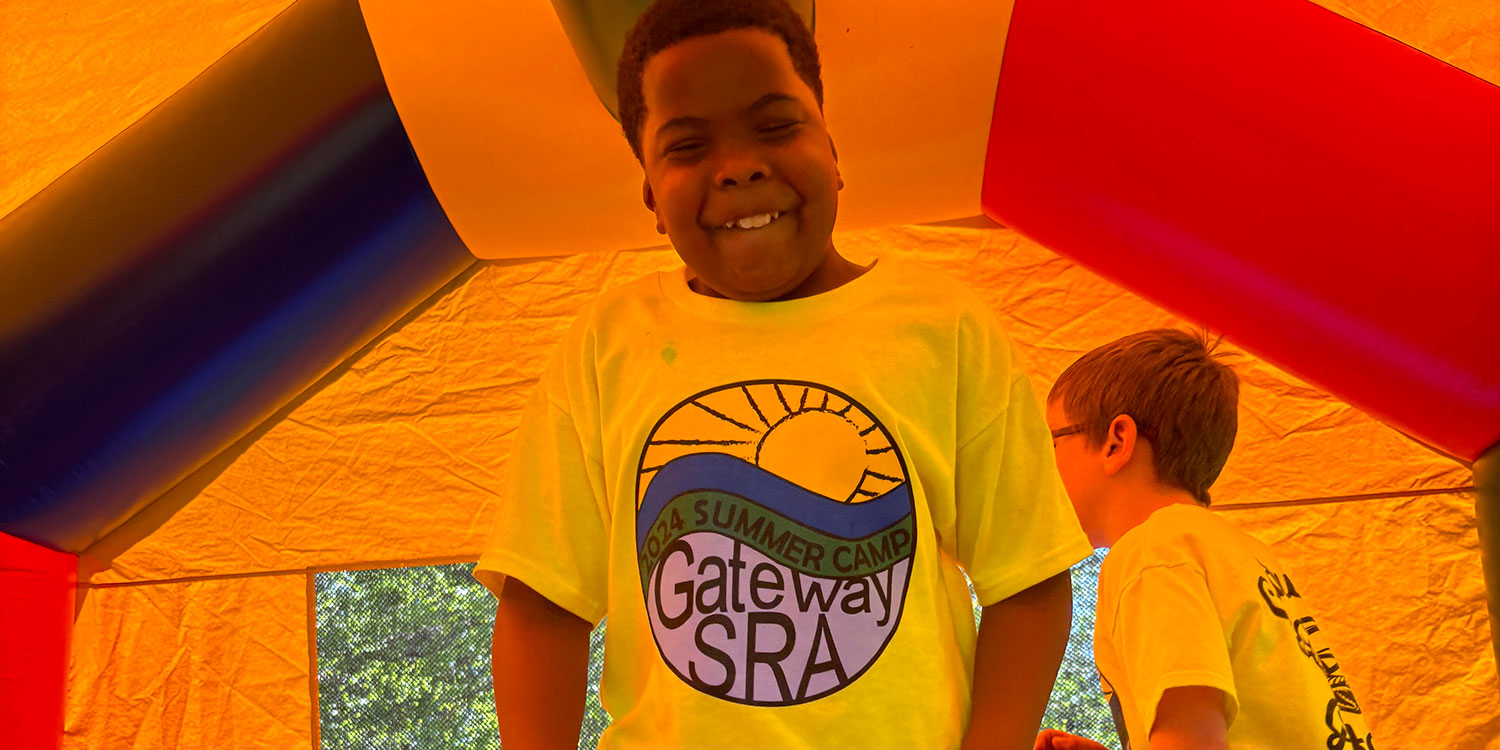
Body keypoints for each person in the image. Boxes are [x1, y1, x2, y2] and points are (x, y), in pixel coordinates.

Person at [473, 0, 1094, 748]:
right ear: (652, 198)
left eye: (774, 126)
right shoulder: (607, 345)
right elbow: (543, 604)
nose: (739, 166)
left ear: (833, 152)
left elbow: (1028, 578)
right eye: (687, 145)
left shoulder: (943, 328)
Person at [1036, 330, 1377, 750]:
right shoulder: (1243, 554)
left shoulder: (1152, 555)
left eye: (1052, 440)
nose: (1042, 464)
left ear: (1116, 442)